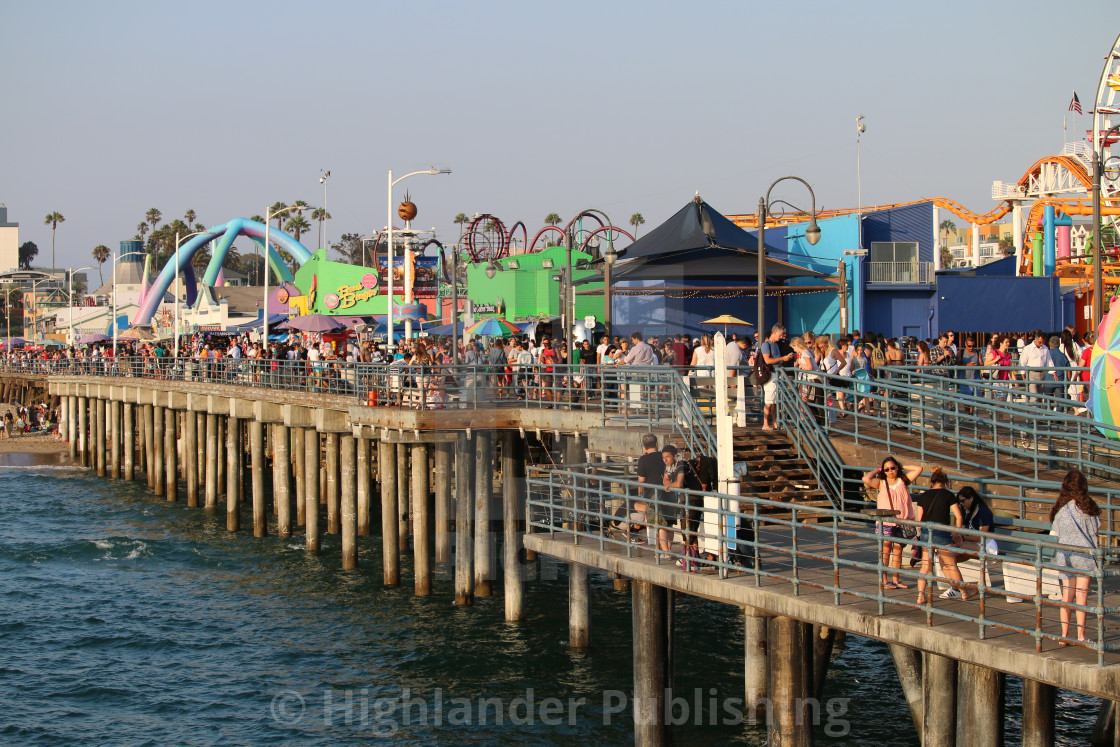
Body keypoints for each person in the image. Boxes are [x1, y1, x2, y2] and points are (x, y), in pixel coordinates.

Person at [1050, 468, 1101, 644]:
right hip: (1085, 556)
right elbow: (1095, 533)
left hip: (1065, 556)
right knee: (1082, 597)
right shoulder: (1088, 507)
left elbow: (1055, 532)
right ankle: (1081, 636)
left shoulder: (1061, 509)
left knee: (1067, 596)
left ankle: (1063, 636)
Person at [862, 456, 923, 590]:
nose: (890, 471)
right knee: (886, 550)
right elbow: (866, 479)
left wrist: (902, 466)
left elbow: (919, 469)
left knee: (898, 551)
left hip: (901, 522)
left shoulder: (903, 481)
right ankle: (884, 580)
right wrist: (877, 469)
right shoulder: (881, 483)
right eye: (887, 469)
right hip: (886, 522)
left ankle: (896, 579)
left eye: (893, 468)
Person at [913, 468, 969, 604]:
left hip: (926, 533)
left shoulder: (924, 496)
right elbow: (959, 517)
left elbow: (919, 521)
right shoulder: (948, 495)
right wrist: (957, 533)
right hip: (942, 533)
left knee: (925, 566)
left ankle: (921, 595)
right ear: (945, 483)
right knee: (951, 565)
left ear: (931, 482)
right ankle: (963, 592)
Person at [760, 324, 795, 430]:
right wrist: (783, 359)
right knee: (769, 401)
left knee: (774, 401)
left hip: (776, 374)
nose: (781, 337)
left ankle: (775, 423)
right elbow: (767, 360)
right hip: (770, 374)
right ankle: (765, 424)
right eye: (780, 334)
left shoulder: (775, 344)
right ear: (774, 332)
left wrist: (785, 358)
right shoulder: (766, 345)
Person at [631, 433, 663, 544]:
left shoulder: (644, 459)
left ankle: (634, 532)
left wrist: (644, 456)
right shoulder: (664, 456)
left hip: (651, 494)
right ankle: (635, 532)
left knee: (637, 507)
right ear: (657, 444)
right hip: (665, 493)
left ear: (644, 446)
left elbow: (641, 480)